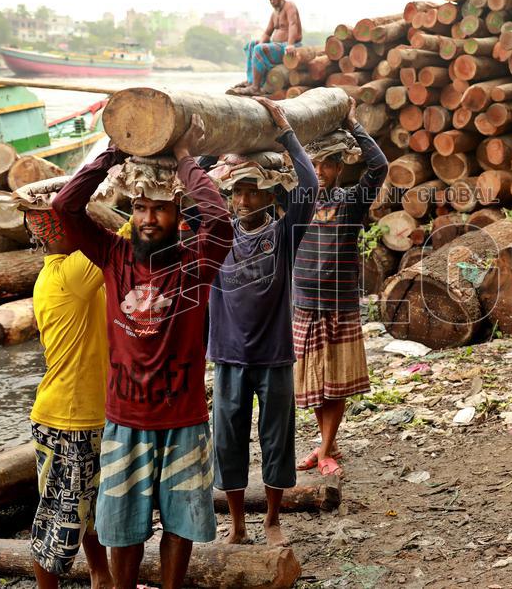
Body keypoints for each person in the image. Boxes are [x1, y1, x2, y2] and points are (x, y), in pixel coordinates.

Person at [52, 115, 232, 589]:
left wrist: (185, 158)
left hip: (183, 420)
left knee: (181, 523)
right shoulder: (113, 256)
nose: (149, 219)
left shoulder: (196, 264)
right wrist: (113, 153)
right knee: (123, 528)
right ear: (131, 212)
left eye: (160, 209)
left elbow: (219, 219)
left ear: (178, 214)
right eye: (140, 208)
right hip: (126, 420)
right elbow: (65, 208)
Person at [207, 97, 317, 548]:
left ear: (271, 195)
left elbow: (307, 186)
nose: (244, 199)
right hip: (228, 359)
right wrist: (206, 150)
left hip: (274, 358)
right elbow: (186, 188)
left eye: (253, 191)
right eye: (238, 191)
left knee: (276, 442)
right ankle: (236, 524)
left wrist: (285, 132)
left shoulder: (283, 235)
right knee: (228, 445)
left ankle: (272, 518)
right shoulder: (213, 235)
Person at [17, 179, 112, 589]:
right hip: (67, 420)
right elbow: (122, 235)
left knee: (90, 510)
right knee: (60, 522)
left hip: (91, 413)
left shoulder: (74, 271)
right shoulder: (68, 275)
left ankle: (102, 577)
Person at [292, 99, 389, 477]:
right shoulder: (295, 202)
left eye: (327, 165)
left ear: (337, 168)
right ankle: (326, 443)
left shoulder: (349, 203)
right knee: (315, 381)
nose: (319, 172)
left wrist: (353, 124)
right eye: (313, 165)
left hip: (338, 304)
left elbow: (379, 166)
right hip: (303, 305)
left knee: (335, 383)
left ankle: (327, 447)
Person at [233, 0, 302, 96]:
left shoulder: (290, 6)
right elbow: (267, 33)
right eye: (270, 0)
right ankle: (250, 81)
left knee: (259, 49)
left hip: (288, 47)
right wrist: (260, 43)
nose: (272, 1)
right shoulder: (274, 14)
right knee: (252, 45)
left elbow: (293, 24)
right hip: (276, 45)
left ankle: (255, 87)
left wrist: (290, 44)